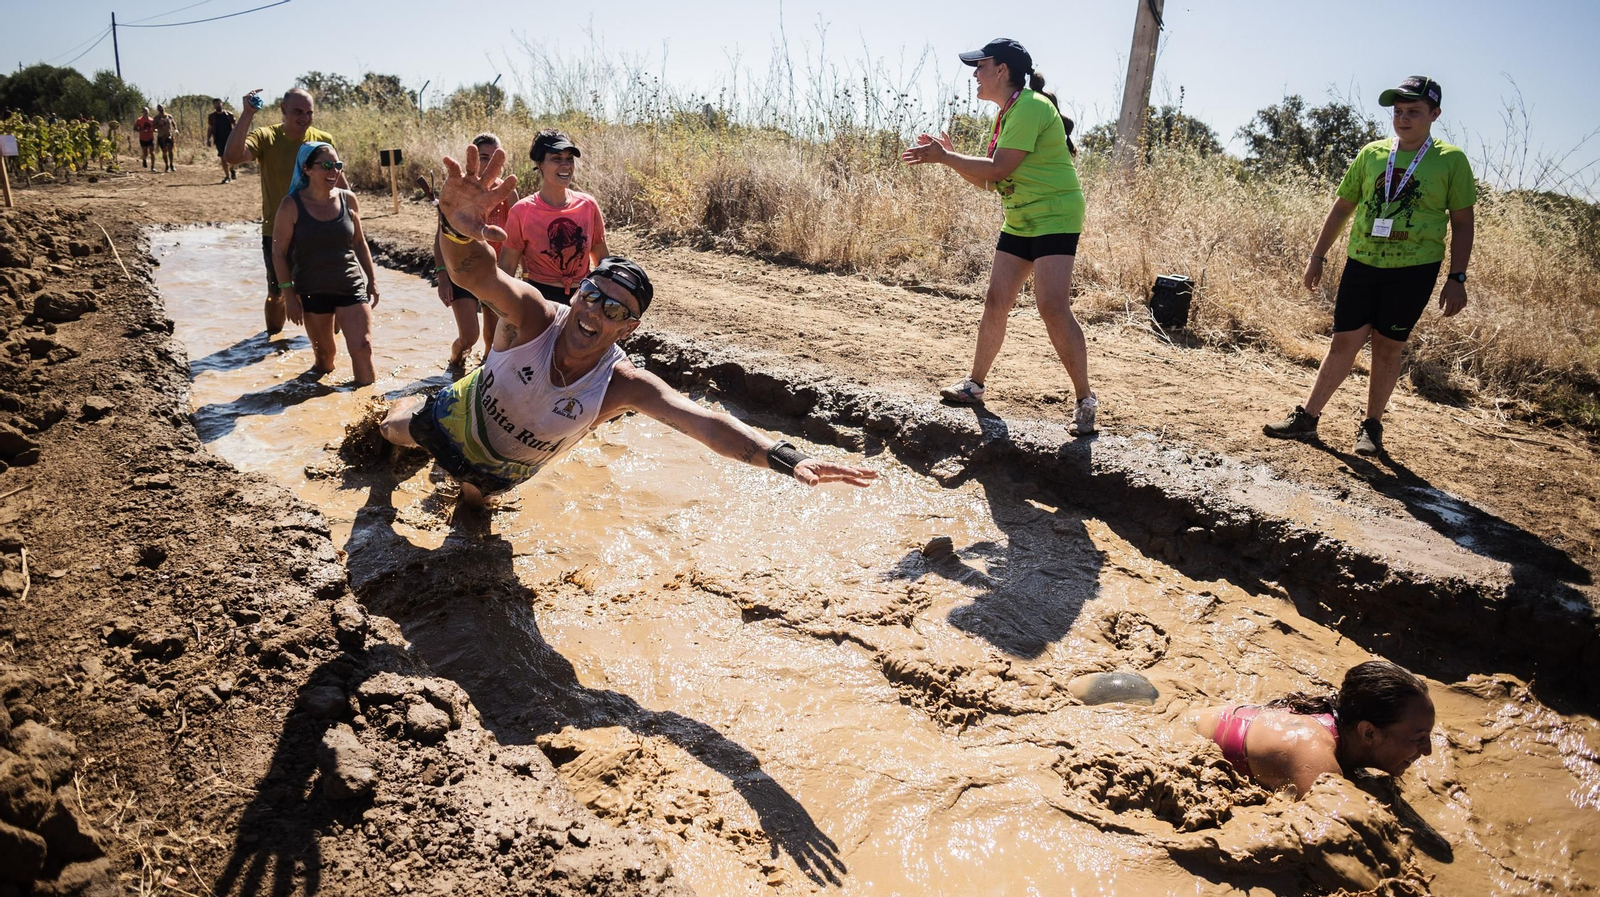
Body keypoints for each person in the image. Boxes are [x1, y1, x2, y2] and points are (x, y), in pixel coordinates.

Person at [379, 144, 879, 508]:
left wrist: (784, 457)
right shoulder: (535, 317)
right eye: (592, 297)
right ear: (576, 294)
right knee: (387, 432)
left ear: (629, 329)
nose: (596, 313)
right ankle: (392, 410)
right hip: (449, 420)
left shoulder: (623, 385)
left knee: (471, 521)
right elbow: (476, 275)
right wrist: (453, 228)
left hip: (502, 471)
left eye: (615, 311)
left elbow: (703, 422)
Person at [1264, 76, 1475, 457]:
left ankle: (1372, 427)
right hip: (1363, 262)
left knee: (1387, 347)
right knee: (1344, 340)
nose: (1403, 119)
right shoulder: (1372, 153)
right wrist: (1317, 256)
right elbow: (1343, 206)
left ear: (1434, 114)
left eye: (1414, 112)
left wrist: (1456, 277)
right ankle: (1307, 419)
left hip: (1414, 268)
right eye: (1398, 112)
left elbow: (1462, 222)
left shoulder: (1451, 160)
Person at [901, 38, 1097, 437]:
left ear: (1001, 70)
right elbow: (990, 182)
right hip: (1022, 216)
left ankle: (1085, 400)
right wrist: (952, 159)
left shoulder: (1029, 107)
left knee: (1051, 306)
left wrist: (947, 157)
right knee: (996, 299)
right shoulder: (1008, 113)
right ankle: (974, 385)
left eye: (980, 65)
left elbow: (995, 168)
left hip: (1055, 214)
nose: (974, 74)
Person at [1191, 660, 1435, 800]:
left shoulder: (1337, 726)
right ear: (1368, 733)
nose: (1428, 750)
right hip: (1178, 736)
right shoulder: (1313, 755)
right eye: (1419, 738)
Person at [223, 88, 339, 336]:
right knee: (277, 293)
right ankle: (273, 342)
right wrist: (247, 115)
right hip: (278, 230)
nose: (304, 118)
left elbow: (336, 180)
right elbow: (232, 156)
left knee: (326, 290)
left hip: (318, 228)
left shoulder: (322, 139)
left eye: (309, 112)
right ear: (283, 111)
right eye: (298, 112)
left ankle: (326, 350)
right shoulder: (267, 137)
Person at [271, 143, 379, 384]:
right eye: (327, 165)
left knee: (363, 347)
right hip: (312, 290)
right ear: (307, 169)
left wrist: (372, 280)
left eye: (338, 165)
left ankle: (369, 410)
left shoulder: (348, 200)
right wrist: (288, 294)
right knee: (325, 358)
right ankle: (315, 402)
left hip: (349, 285)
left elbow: (359, 243)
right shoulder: (290, 205)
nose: (334, 171)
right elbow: (278, 252)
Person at [495, 129, 608, 349]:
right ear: (540, 164)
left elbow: (602, 259)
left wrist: (606, 303)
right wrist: (503, 313)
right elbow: (507, 266)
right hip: (540, 298)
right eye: (556, 159)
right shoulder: (523, 211)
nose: (566, 166)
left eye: (569, 159)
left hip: (582, 298)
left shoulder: (587, 205)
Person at [432, 133, 517, 368]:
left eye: (494, 159)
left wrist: (521, 275)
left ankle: (484, 382)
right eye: (483, 157)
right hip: (462, 270)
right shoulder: (458, 192)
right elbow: (440, 237)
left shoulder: (506, 193)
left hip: (493, 274)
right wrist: (442, 276)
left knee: (492, 339)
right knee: (469, 337)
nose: (488, 164)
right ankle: (455, 360)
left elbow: (518, 238)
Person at [206, 98, 238, 183]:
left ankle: (232, 169)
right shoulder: (212, 116)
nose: (217, 105)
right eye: (215, 104)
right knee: (223, 158)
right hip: (219, 139)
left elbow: (236, 125)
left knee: (233, 157)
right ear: (213, 105)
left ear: (222, 104)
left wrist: (238, 136)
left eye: (218, 103)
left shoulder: (229, 115)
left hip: (230, 138)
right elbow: (210, 128)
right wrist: (208, 139)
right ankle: (227, 176)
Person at [153, 104, 177, 173]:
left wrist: (175, 129)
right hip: (161, 136)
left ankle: (171, 164)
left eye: (162, 108)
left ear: (164, 108)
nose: (161, 109)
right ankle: (166, 165)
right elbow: (153, 127)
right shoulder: (156, 118)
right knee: (164, 151)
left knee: (170, 150)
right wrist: (159, 124)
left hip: (169, 136)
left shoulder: (169, 116)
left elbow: (174, 123)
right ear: (158, 110)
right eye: (159, 108)